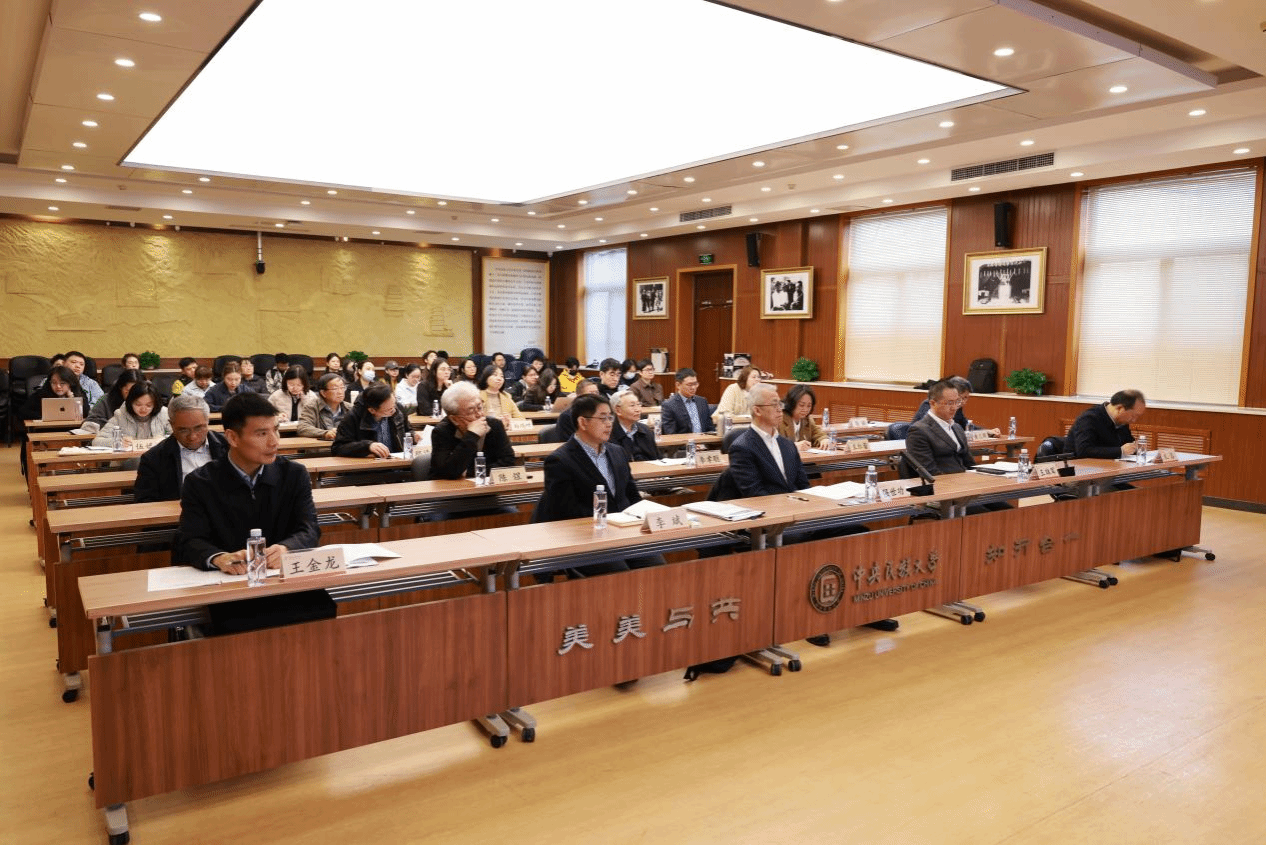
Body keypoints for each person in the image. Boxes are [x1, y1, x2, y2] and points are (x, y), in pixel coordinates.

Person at [174, 391, 319, 573]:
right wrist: (219, 558)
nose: (274, 442)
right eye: (262, 434)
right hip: (228, 581)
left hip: (282, 576)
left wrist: (287, 547)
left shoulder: (294, 474)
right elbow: (190, 540)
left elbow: (309, 528)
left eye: (275, 430)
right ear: (232, 438)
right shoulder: (200, 482)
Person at [531, 394, 651, 576]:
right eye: (603, 418)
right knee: (620, 576)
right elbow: (565, 512)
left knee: (656, 568)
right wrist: (608, 524)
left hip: (623, 534)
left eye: (610, 417)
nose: (609, 424)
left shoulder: (618, 452)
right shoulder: (560, 460)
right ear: (583, 422)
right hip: (584, 539)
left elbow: (632, 496)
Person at [134, 393, 228, 503]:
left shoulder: (229, 447)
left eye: (198, 428)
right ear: (171, 425)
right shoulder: (153, 459)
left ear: (208, 421)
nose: (192, 437)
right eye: (183, 430)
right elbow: (144, 502)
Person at [331, 383, 428, 479]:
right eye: (389, 409)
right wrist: (368, 446)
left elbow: (407, 430)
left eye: (394, 405)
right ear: (372, 410)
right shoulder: (353, 417)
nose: (394, 411)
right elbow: (338, 448)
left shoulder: (397, 409)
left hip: (397, 465)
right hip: (367, 472)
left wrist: (413, 435)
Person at [727, 384, 810, 496]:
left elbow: (804, 485)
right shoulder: (741, 448)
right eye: (774, 405)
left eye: (780, 404)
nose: (780, 410)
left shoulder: (788, 444)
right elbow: (754, 493)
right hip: (768, 505)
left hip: (796, 503)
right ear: (757, 410)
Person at [429, 381, 517, 480]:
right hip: (453, 489)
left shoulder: (495, 425)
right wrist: (471, 435)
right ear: (454, 419)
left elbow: (509, 462)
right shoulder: (441, 432)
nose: (479, 414)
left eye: (480, 407)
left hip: (489, 486)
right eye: (471, 411)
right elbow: (445, 472)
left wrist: (470, 472)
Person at [903, 379, 978, 476]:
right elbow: (930, 472)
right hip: (944, 482)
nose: (954, 407)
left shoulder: (957, 427)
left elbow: (970, 464)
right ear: (933, 403)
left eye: (957, 402)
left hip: (965, 479)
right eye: (949, 403)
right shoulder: (919, 431)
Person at [1068, 389, 1147, 459]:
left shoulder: (1122, 421)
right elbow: (1084, 451)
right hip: (1079, 466)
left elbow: (1128, 443)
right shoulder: (1089, 418)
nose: (1134, 420)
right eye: (1133, 415)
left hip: (1109, 466)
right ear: (1119, 408)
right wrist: (1120, 451)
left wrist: (1135, 447)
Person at [92, 381, 171, 447]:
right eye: (138, 404)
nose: (143, 409)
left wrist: (163, 440)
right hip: (128, 460)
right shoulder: (121, 415)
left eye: (148, 405)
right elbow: (97, 441)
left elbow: (176, 437)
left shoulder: (164, 414)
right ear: (130, 402)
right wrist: (118, 442)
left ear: (155, 404)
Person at [911, 375, 999, 435]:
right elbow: (925, 430)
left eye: (966, 398)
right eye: (962, 398)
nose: (964, 402)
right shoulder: (930, 405)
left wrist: (987, 432)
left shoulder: (957, 408)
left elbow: (965, 425)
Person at [81, 368, 142, 434]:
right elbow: (91, 421)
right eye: (128, 391)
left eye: (137, 392)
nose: (132, 395)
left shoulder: (147, 401)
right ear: (120, 387)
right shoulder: (106, 400)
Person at [20, 364, 88, 421]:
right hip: (47, 429)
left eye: (62, 383)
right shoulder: (41, 394)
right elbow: (23, 412)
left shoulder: (79, 393)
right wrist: (46, 416)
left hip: (72, 428)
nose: (58, 386)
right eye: (54, 383)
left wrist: (72, 399)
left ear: (70, 383)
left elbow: (85, 413)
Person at [660, 368, 715, 435]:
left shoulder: (702, 401)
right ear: (678, 385)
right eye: (689, 385)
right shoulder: (669, 405)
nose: (693, 388)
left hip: (704, 440)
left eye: (695, 384)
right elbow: (670, 434)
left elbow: (710, 429)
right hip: (683, 441)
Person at [299, 373, 352, 441]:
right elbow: (303, 428)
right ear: (323, 393)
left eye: (342, 388)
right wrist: (325, 433)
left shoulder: (349, 408)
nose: (340, 392)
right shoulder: (312, 407)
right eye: (335, 389)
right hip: (321, 447)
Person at [778, 383, 831, 451]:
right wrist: (793, 446)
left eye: (809, 406)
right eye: (801, 405)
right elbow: (772, 443)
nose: (805, 409)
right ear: (792, 403)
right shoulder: (779, 418)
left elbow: (818, 434)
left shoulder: (807, 419)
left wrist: (824, 440)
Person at [609, 391, 659, 462]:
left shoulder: (646, 430)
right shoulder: (608, 433)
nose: (638, 410)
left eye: (638, 404)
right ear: (618, 410)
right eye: (632, 405)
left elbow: (657, 458)